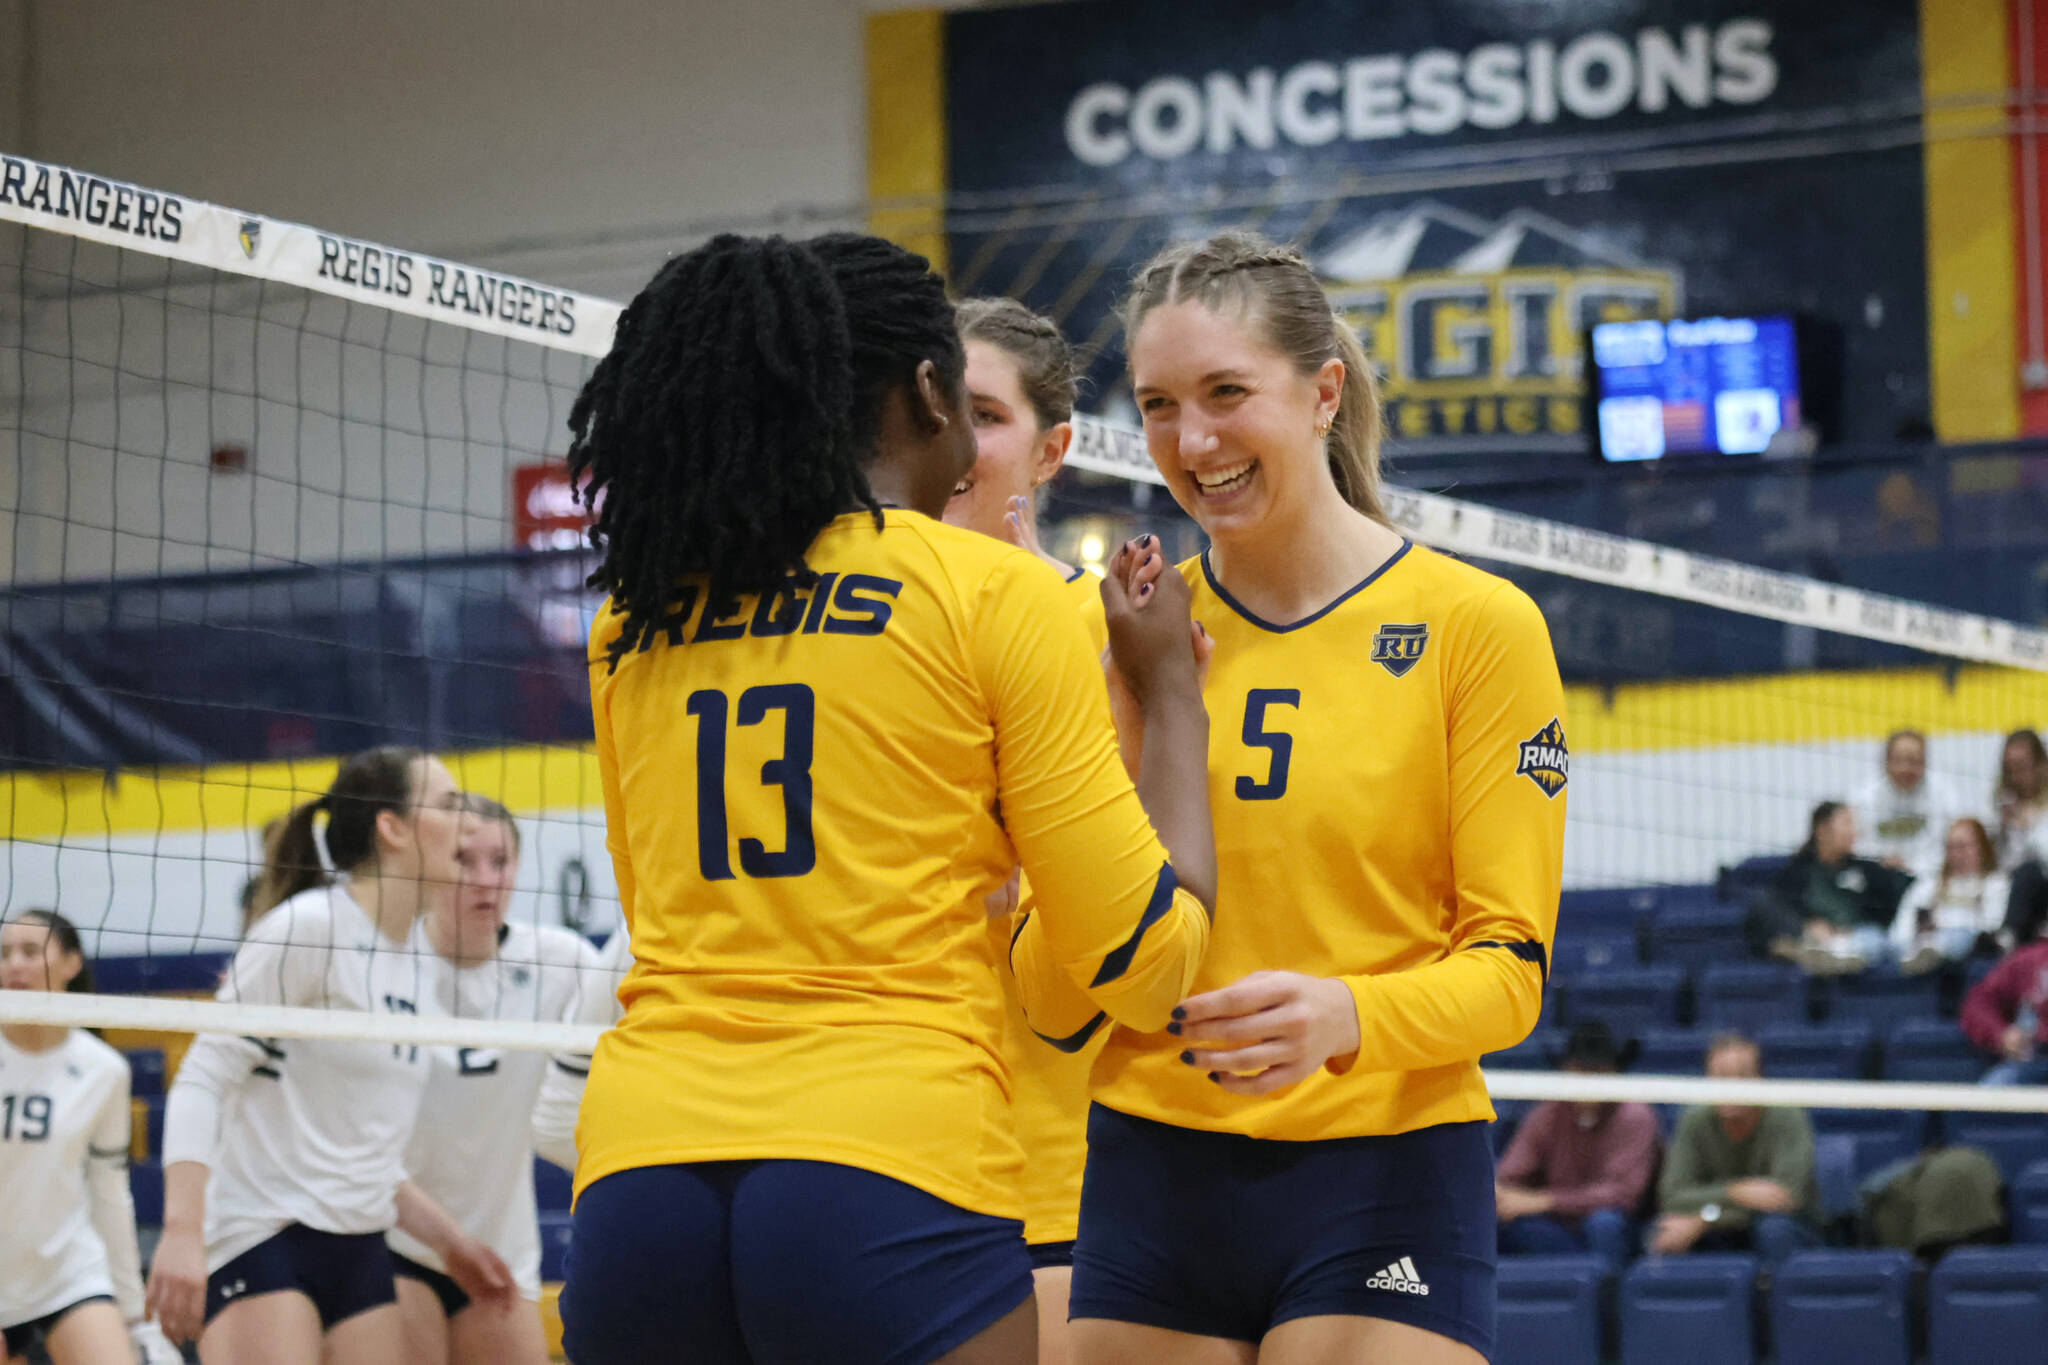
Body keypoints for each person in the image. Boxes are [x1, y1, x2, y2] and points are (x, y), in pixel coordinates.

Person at [554, 232, 1217, 1365]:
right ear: (925, 393)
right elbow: (1140, 963)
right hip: (883, 1168)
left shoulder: (635, 621)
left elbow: (661, 903)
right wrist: (1169, 697)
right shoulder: (989, 591)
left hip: (635, 1179)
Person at [1061, 231, 1565, 1365]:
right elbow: (1095, 943)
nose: (1191, 442)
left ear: (1322, 390)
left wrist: (1348, 1017)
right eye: (1155, 404)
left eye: (1226, 393)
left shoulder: (1475, 627)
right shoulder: (1127, 633)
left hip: (1384, 1162)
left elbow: (1510, 973)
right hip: (1152, 1153)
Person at [144, 746, 516, 1364]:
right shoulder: (310, 927)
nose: (469, 824)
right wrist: (182, 1232)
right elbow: (203, 1078)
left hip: (360, 1244)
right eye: (449, 807)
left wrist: (453, 1245)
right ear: (391, 827)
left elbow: (360, 1150)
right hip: (263, 1235)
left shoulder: (418, 958)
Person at [942, 296, 1107, 1365]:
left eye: (983, 415)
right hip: (885, 1152)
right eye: (929, 410)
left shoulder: (1114, 629)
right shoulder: (848, 628)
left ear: (1051, 449)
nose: (952, 441)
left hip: (1065, 1163)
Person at [389, 795, 606, 1365]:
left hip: (502, 1251)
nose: (486, 880)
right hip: (398, 1243)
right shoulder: (386, 962)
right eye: (463, 860)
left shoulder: (563, 963)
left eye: (501, 860)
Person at [0, 910, 178, 1365]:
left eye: (29, 951)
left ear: (71, 964)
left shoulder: (103, 1070)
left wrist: (134, 1310)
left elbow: (109, 1191)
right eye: (3, 954)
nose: (13, 964)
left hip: (69, 1274)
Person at [1494, 1021, 1661, 1267]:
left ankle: (1606, 1297)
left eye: (1597, 1070)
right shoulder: (1549, 1113)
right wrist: (1504, 1195)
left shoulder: (1635, 1116)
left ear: (1614, 1072)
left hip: (1618, 1229)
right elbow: (1510, 1175)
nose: (1588, 1080)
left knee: (1605, 1225)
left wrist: (1544, 1200)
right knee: (1506, 1225)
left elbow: (1623, 1195)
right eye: (1581, 1070)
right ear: (1567, 1070)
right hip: (1557, 1228)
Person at [1650, 1033, 1821, 1265]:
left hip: (1789, 1225)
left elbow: (1786, 1199)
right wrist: (1736, 1191)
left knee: (1774, 1229)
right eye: (1721, 1076)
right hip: (1718, 1228)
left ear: (1760, 1080)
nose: (1731, 1086)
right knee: (1663, 1232)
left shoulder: (1788, 1116)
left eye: (1742, 1075)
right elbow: (1673, 1197)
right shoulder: (1693, 1119)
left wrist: (1705, 1217)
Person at [1748, 802, 1912, 974]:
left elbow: (1896, 902)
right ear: (1823, 829)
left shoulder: (1866, 869)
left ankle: (1833, 955)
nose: (1855, 831)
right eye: (1847, 823)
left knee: (1875, 938)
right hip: (1817, 938)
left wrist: (1895, 874)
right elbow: (1772, 907)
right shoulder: (1798, 871)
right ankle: (1822, 953)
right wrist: (1807, 926)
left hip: (1859, 937)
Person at [1889, 817, 2011, 972]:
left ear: (1981, 847)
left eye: (1962, 846)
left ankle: (1937, 950)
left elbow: (1993, 928)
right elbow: (1903, 925)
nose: (1956, 854)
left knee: (1962, 936)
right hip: (1924, 946)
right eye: (1951, 847)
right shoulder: (1929, 885)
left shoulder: (1995, 884)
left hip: (1969, 948)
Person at [1852, 729, 1960, 878]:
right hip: (1879, 880)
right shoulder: (1864, 799)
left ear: (1925, 762)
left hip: (1930, 879)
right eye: (1899, 761)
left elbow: (1953, 849)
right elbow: (1857, 849)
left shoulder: (1944, 797)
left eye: (1913, 761)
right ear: (1886, 762)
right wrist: (1881, 861)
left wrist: (1913, 866)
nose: (1906, 768)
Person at [1959, 932, 2048, 1085]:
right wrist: (2002, 1034)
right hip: (2036, 1061)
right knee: (1997, 1086)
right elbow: (1979, 1003)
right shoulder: (2033, 959)